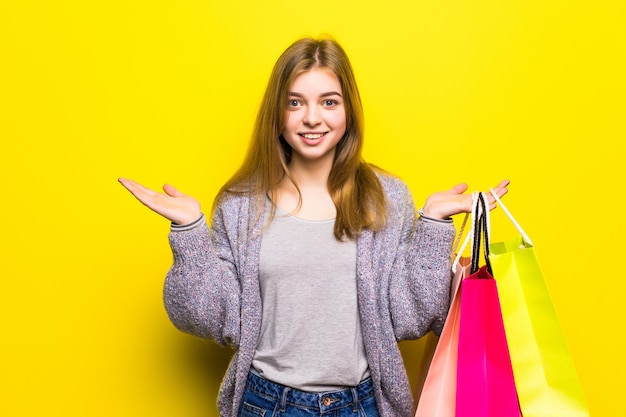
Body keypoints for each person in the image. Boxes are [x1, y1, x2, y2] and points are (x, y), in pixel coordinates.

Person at [119, 36, 509, 417]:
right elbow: (211, 316)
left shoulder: (387, 199)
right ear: (277, 113)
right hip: (264, 403)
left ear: (348, 112)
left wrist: (433, 225)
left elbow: (409, 318)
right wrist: (190, 232)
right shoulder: (240, 205)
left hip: (363, 405)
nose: (311, 117)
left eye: (328, 102)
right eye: (295, 102)